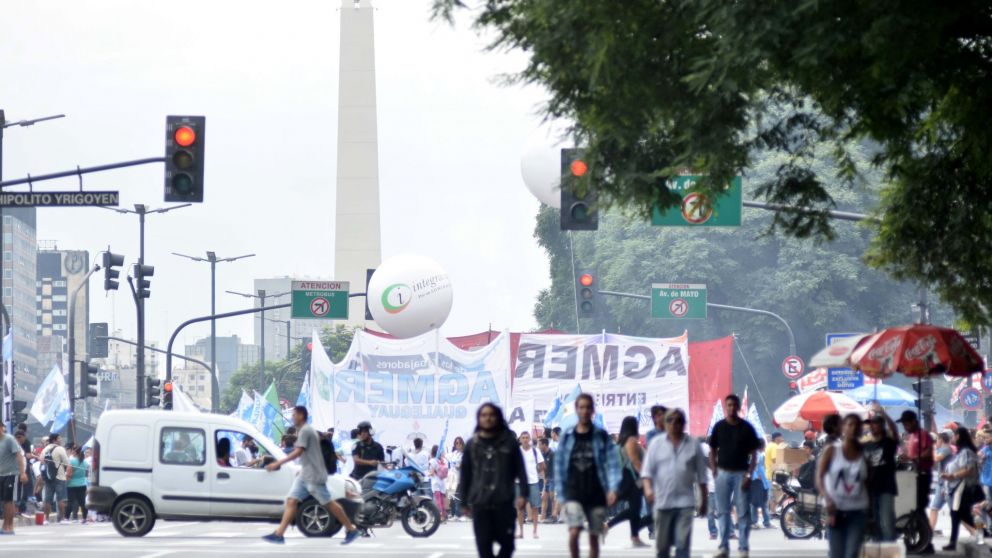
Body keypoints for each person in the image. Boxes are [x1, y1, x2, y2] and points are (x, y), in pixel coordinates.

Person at [262, 406, 360, 545]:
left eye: (294, 415)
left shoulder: (306, 431)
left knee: (328, 502)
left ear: (301, 415)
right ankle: (279, 534)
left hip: (314, 474)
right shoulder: (304, 431)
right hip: (306, 474)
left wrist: (278, 463)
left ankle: (351, 529)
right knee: (292, 500)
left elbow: (298, 452)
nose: (292, 417)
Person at [554, 394, 621, 558]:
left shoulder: (602, 436)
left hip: (596, 492)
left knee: (593, 536)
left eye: (588, 407)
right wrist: (560, 494)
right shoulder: (568, 437)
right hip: (573, 492)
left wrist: (613, 488)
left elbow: (613, 464)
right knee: (574, 532)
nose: (584, 411)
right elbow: (560, 467)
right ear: (576, 409)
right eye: (581, 407)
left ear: (592, 410)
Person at [458, 403, 529, 558]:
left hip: (503, 503)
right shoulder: (472, 444)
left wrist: (524, 494)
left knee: (508, 546)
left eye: (491, 415)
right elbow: (465, 475)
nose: (488, 418)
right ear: (479, 418)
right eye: (484, 415)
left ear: (497, 417)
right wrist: (463, 502)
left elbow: (521, 471)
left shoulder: (509, 443)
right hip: (480, 505)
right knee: (484, 550)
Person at [641, 409, 708, 558]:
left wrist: (703, 500)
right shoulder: (656, 444)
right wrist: (648, 491)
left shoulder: (693, 444)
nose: (674, 424)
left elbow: (702, 476)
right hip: (662, 503)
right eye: (670, 420)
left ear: (684, 424)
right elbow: (646, 473)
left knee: (682, 545)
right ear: (665, 423)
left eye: (678, 421)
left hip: (685, 503)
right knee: (663, 548)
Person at [708, 394, 760, 558]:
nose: (731, 408)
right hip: (722, 474)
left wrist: (749, 474)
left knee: (743, 512)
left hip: (741, 474)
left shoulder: (746, 428)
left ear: (738, 407)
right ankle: (723, 547)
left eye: (733, 405)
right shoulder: (719, 427)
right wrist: (714, 468)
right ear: (726, 407)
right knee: (723, 511)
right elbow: (712, 450)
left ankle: (743, 548)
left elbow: (754, 454)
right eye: (728, 405)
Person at [817, 414, 869, 558]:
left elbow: (868, 481)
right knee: (836, 553)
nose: (853, 428)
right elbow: (820, 476)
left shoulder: (864, 453)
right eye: (849, 424)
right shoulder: (832, 450)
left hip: (858, 511)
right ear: (843, 427)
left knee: (852, 553)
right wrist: (827, 499)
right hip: (835, 510)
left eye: (856, 426)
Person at [897, 410, 935, 554]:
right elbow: (910, 454)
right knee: (916, 508)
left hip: (923, 475)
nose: (905, 427)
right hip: (914, 475)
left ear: (913, 421)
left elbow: (928, 451)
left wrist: (914, 457)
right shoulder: (911, 437)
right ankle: (924, 542)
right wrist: (905, 456)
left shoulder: (923, 435)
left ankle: (926, 543)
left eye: (906, 423)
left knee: (919, 508)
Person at [607, 415, 649, 547]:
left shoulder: (622, 441)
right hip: (633, 477)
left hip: (626, 477)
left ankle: (634, 536)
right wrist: (646, 478)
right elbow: (635, 462)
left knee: (634, 508)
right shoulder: (631, 441)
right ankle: (607, 526)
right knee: (635, 510)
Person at [940, 426, 980, 551]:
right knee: (960, 514)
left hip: (962, 487)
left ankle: (954, 541)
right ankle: (980, 532)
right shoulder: (961, 451)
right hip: (956, 486)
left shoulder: (966, 452)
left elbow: (969, 469)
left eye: (954, 436)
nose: (953, 438)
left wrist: (952, 475)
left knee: (958, 514)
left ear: (958, 436)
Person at [863, 408, 899, 542]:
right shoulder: (867, 445)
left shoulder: (888, 443)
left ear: (882, 426)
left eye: (875, 423)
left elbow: (894, 430)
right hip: (871, 489)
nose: (872, 426)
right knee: (876, 522)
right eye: (871, 424)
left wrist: (884, 414)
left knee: (886, 521)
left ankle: (889, 549)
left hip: (886, 487)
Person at [516, 431, 544, 539]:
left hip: (533, 482)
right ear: (520, 440)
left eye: (527, 437)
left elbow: (542, 465)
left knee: (535, 507)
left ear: (530, 439)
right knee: (520, 508)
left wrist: (536, 472)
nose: (525, 439)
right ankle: (521, 531)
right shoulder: (517, 452)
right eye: (523, 437)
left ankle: (535, 531)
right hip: (519, 483)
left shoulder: (535, 451)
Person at [1, 422, 27, 534]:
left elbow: (19, 456)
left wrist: (22, 473)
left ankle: (9, 526)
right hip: (0, 474)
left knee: (8, 500)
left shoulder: (9, 439)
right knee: (4, 501)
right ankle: (5, 526)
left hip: (11, 474)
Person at [41, 432, 70, 524]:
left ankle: (46, 519)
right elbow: (66, 462)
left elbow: (42, 461)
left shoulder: (45, 449)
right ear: (54, 440)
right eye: (59, 438)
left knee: (47, 499)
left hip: (48, 477)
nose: (60, 440)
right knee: (61, 498)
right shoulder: (60, 449)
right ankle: (61, 519)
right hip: (60, 476)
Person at [930, 430, 954, 532]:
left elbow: (936, 458)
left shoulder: (946, 449)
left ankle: (974, 531)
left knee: (956, 511)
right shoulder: (942, 449)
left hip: (946, 484)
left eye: (938, 439)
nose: (936, 441)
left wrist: (933, 449)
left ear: (941, 440)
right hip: (942, 483)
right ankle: (930, 530)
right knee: (934, 507)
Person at [749, 440, 772, 529]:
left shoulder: (758, 454)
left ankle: (758, 521)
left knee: (759, 502)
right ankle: (762, 522)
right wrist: (755, 476)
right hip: (758, 481)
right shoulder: (757, 455)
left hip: (761, 480)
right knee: (758, 502)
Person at [699, 437, 719, 540]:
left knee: (724, 512)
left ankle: (729, 532)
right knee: (711, 512)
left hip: (722, 488)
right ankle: (713, 532)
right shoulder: (705, 460)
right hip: (711, 489)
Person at [976, 431, 992, 545]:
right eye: (984, 437)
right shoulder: (985, 449)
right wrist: (980, 459)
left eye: (987, 437)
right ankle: (982, 532)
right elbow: (979, 459)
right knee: (981, 507)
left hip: (988, 482)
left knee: (985, 506)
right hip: (985, 482)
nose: (985, 439)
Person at [66, 445, 89, 523]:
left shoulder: (72, 461)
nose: (72, 452)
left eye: (73, 450)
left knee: (70, 502)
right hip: (82, 484)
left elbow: (69, 474)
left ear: (75, 452)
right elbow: (86, 474)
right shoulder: (85, 462)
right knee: (82, 502)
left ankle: (66, 518)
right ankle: (85, 518)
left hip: (72, 485)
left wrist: (66, 481)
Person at [537, 437, 557, 523]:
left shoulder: (552, 454)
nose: (538, 446)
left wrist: (548, 478)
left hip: (553, 478)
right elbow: (543, 467)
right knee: (544, 498)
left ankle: (554, 516)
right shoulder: (541, 454)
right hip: (547, 477)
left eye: (539, 444)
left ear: (544, 445)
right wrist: (545, 477)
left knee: (552, 498)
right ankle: (542, 517)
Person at [428, 445, 447, 522]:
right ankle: (444, 516)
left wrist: (427, 474)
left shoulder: (432, 460)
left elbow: (432, 473)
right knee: (442, 500)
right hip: (442, 482)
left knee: (437, 501)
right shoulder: (442, 460)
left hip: (435, 483)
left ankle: (439, 516)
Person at [447, 437, 464, 520]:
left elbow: (461, 465)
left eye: (459, 443)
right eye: (456, 443)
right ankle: (453, 513)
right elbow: (446, 459)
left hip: (459, 478)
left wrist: (458, 465)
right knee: (452, 496)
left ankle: (458, 514)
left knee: (457, 496)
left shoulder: (463, 454)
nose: (458, 445)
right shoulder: (453, 453)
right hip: (451, 477)